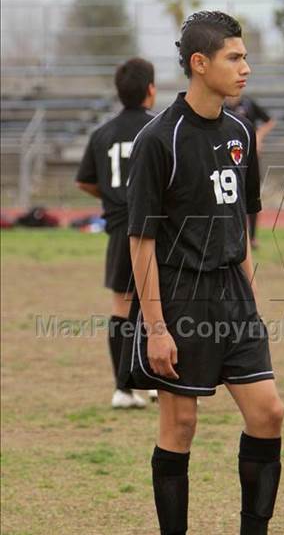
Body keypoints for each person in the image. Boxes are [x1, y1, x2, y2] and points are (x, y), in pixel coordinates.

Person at [118, 11, 284, 534]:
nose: (246, 69)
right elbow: (140, 240)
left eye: (245, 57)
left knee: (269, 413)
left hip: (234, 294)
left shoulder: (240, 131)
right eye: (234, 57)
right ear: (199, 63)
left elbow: (242, 222)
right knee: (181, 424)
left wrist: (251, 302)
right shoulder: (158, 140)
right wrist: (156, 328)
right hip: (179, 295)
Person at [76, 57, 158, 409]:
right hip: (155, 229)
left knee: (122, 308)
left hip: (119, 229)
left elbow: (84, 181)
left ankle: (122, 390)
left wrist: (111, 198)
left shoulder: (102, 133)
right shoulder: (158, 130)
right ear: (151, 90)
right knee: (162, 305)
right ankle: (160, 384)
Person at [225, 94, 276, 249]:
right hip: (227, 157)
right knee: (230, 196)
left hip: (248, 156)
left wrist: (258, 137)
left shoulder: (249, 103)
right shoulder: (221, 106)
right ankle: (232, 237)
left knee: (252, 195)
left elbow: (270, 121)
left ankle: (252, 238)